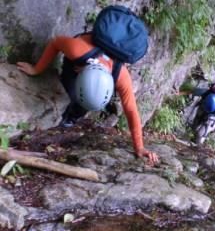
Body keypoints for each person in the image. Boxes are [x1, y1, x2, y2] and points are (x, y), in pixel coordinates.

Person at [17, 34, 159, 166]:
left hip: (95, 65)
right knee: (71, 90)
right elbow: (56, 42)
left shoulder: (122, 76)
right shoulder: (75, 49)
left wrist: (139, 147)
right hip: (81, 57)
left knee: (83, 104)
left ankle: (70, 119)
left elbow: (131, 110)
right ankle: (71, 104)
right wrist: (36, 69)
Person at [178, 80, 215, 153]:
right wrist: (178, 93)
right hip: (202, 111)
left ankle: (196, 149)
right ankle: (191, 142)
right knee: (194, 128)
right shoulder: (206, 93)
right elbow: (193, 91)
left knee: (200, 135)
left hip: (211, 120)